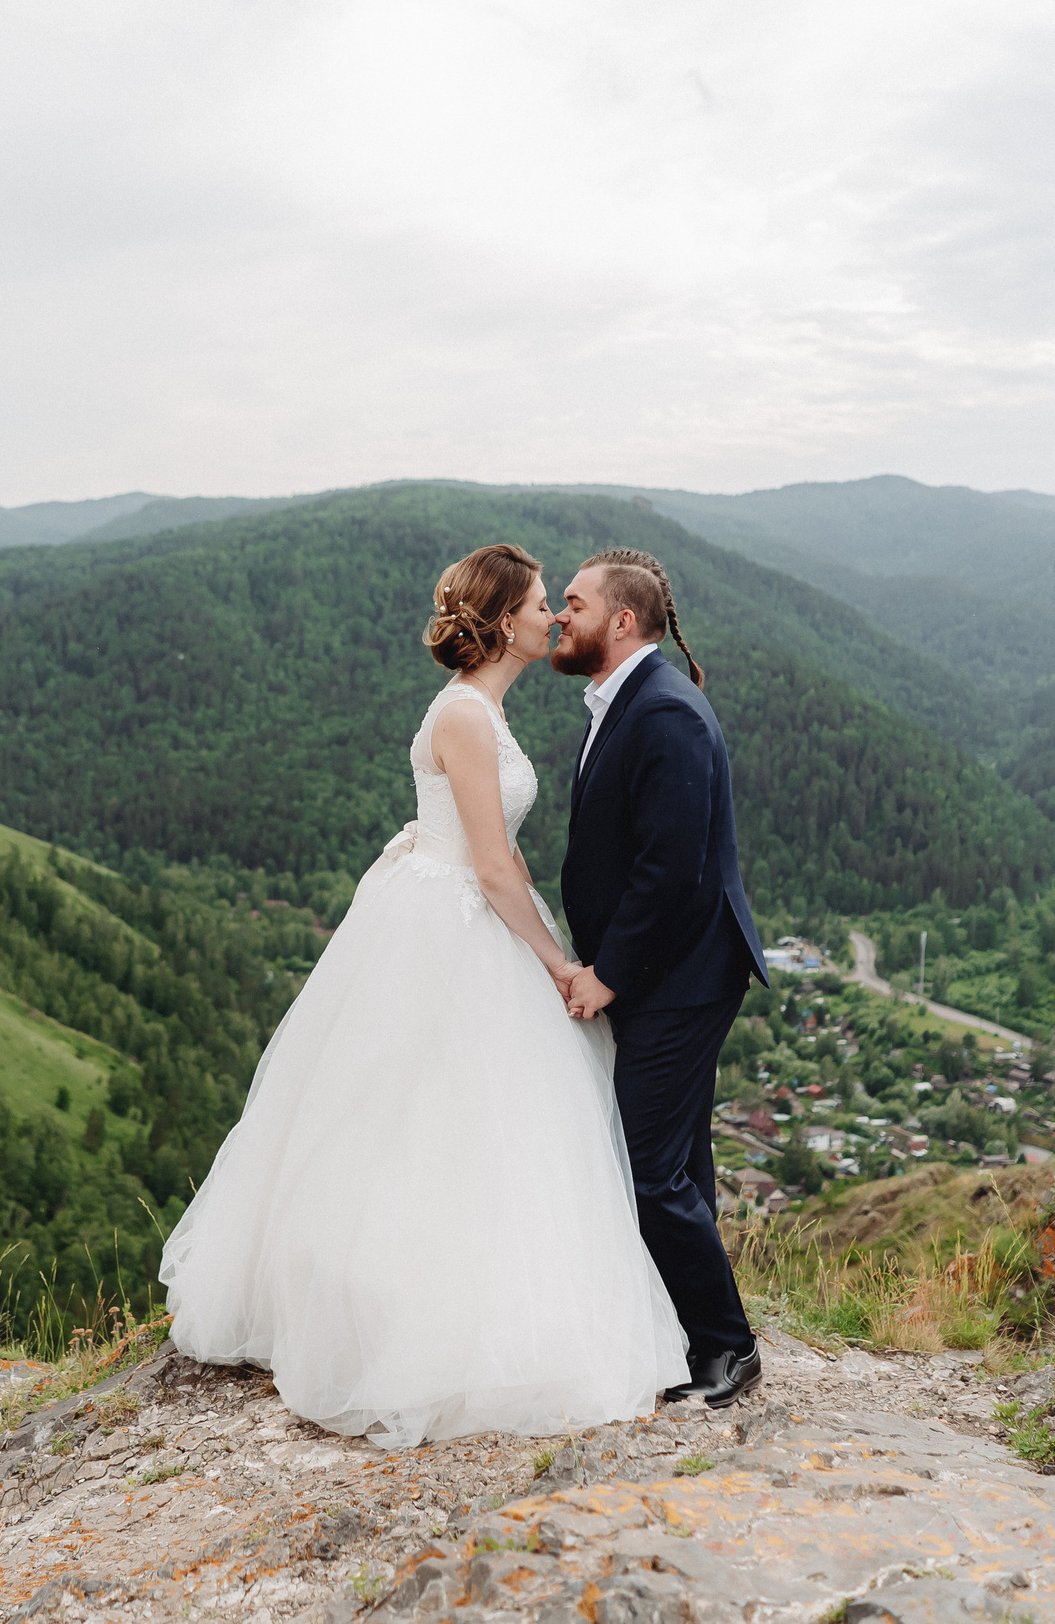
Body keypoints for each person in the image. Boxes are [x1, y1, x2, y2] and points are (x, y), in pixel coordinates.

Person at [160, 543, 685, 1448]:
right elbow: (486, 864)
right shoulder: (467, 718)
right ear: (500, 620)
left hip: (472, 913)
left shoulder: (487, 711)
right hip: (450, 923)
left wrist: (550, 946)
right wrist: (556, 964)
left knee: (470, 1121)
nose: (551, 618)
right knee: (424, 1118)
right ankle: (411, 1322)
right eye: (535, 605)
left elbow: (505, 847)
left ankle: (467, 1296)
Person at [551, 548, 770, 1407]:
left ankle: (728, 1346)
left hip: (679, 975)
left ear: (623, 620)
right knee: (680, 1162)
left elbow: (673, 868)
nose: (560, 616)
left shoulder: (666, 713)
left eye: (572, 603)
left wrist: (607, 972)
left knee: (645, 1170)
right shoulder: (625, 702)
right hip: (666, 972)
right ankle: (694, 1328)